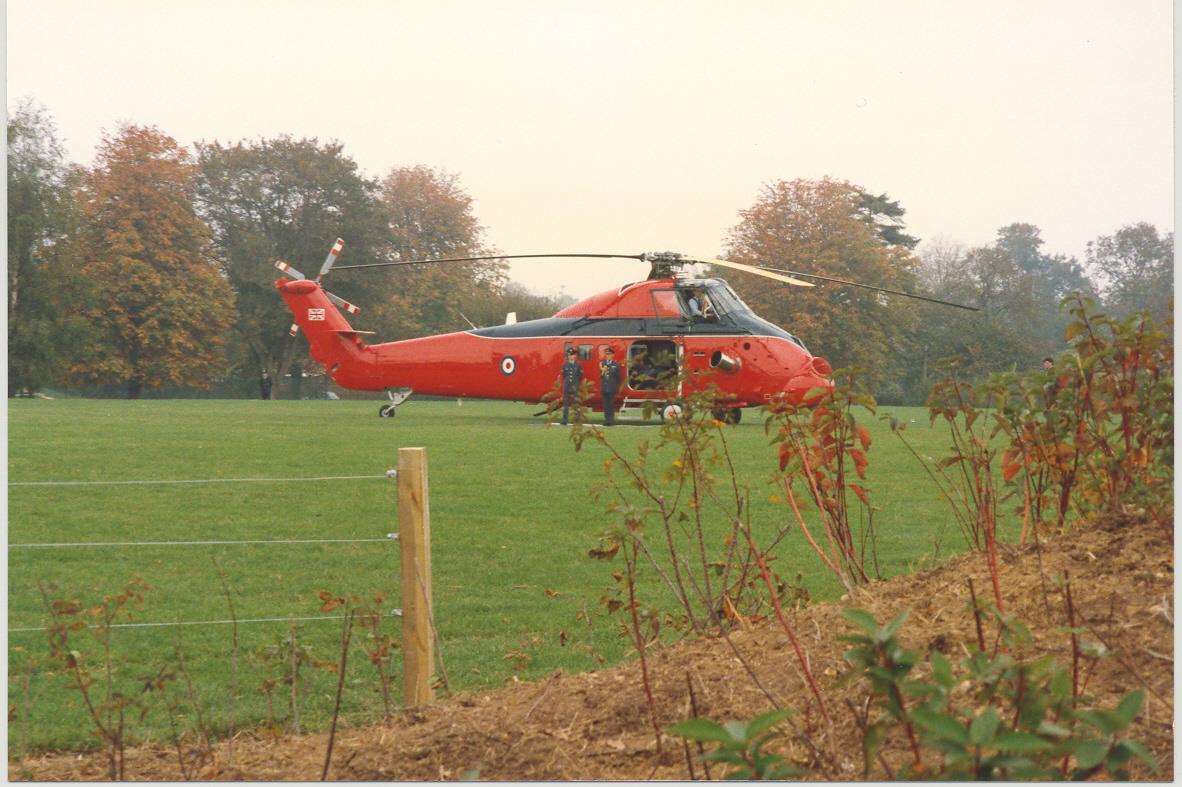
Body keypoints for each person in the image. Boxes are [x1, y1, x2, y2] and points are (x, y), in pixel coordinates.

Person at [559, 347, 583, 425]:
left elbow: (580, 376)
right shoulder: (565, 365)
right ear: (568, 356)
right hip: (567, 386)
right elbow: (564, 375)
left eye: (574, 355)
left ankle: (577, 420)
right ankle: (565, 420)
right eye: (571, 355)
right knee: (565, 403)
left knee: (576, 403)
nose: (573, 356)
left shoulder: (578, 365)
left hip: (575, 386)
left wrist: (576, 384)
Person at [599, 346, 622, 426]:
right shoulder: (602, 363)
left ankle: (611, 420)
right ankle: (606, 420)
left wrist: (617, 387)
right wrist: (603, 371)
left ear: (613, 355)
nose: (608, 355)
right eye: (607, 354)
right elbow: (601, 376)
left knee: (611, 404)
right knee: (605, 404)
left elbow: (618, 377)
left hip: (612, 387)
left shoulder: (616, 364)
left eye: (609, 354)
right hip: (604, 387)